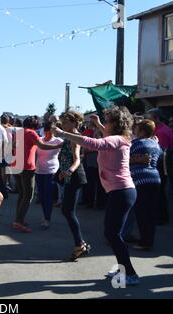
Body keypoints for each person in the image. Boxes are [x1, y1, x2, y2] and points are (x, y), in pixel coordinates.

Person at [52, 106, 140, 285]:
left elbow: (96, 144)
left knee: (112, 234)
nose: (105, 123)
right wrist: (99, 124)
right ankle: (123, 268)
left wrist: (62, 133)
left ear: (114, 124)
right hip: (121, 192)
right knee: (113, 234)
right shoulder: (120, 138)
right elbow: (106, 139)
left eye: (107, 121)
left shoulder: (116, 139)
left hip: (121, 192)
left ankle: (130, 274)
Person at [12, 116, 63, 233]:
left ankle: (18, 218)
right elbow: (42, 146)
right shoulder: (32, 133)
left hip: (16, 165)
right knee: (28, 196)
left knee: (21, 194)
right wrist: (57, 146)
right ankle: (18, 221)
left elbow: (13, 146)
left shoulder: (18, 132)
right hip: (27, 167)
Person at [53, 111, 89, 261]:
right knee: (67, 211)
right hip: (68, 176)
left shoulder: (75, 138)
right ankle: (80, 243)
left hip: (75, 177)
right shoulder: (67, 136)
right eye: (63, 122)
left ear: (74, 123)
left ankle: (80, 244)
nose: (63, 125)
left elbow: (77, 159)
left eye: (66, 122)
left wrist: (69, 171)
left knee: (68, 211)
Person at [127, 119, 163, 250]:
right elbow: (160, 156)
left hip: (140, 180)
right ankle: (149, 240)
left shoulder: (136, 143)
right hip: (155, 179)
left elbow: (123, 157)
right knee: (151, 212)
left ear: (141, 131)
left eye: (136, 129)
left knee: (142, 212)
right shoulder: (155, 144)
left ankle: (144, 243)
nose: (134, 131)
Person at [35, 121, 63, 229]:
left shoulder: (59, 140)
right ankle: (45, 214)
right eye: (48, 132)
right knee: (41, 196)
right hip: (39, 171)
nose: (49, 134)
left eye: (52, 132)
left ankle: (47, 218)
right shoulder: (40, 140)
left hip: (52, 171)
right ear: (44, 131)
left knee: (48, 196)